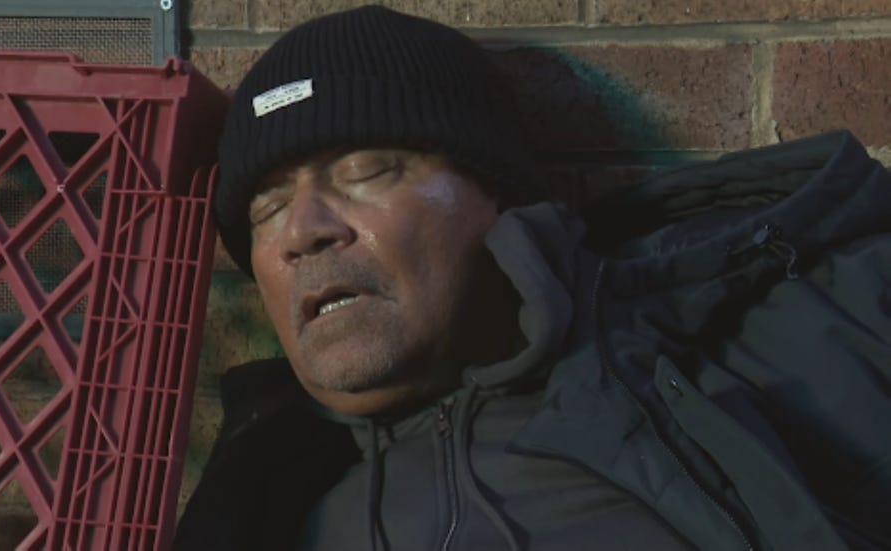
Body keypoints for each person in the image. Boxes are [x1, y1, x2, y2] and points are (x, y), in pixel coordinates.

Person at [174, 5, 891, 550]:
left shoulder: (764, 339)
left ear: (498, 197)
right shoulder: (257, 495)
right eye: (266, 209)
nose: (302, 230)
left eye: (365, 171)